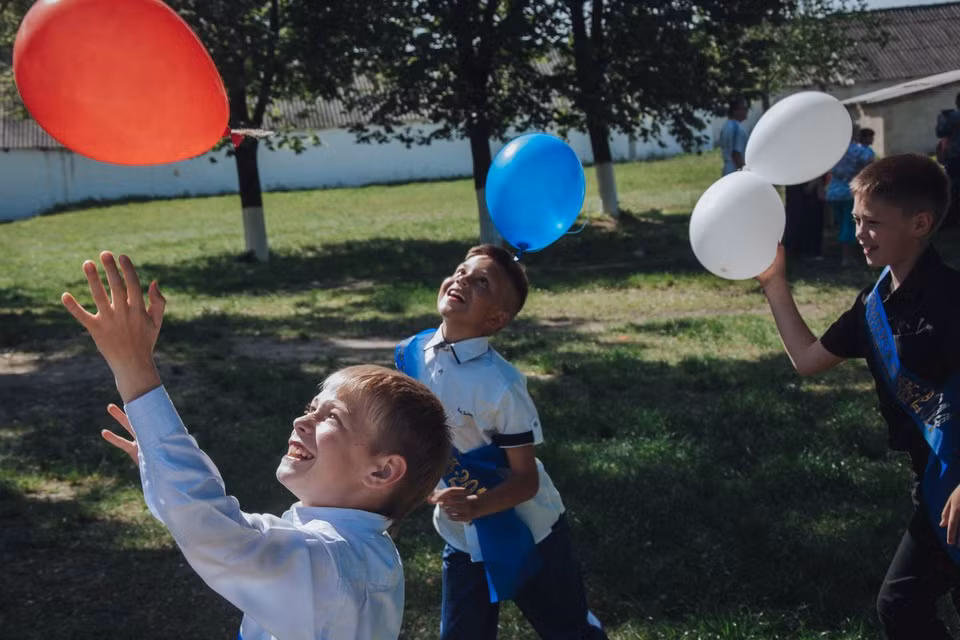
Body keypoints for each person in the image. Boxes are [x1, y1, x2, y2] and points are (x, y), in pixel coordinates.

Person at [61, 251, 453, 640]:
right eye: (309, 408)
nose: (302, 420)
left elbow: (214, 532)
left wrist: (134, 367)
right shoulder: (360, 552)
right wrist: (160, 465)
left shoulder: (332, 564)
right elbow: (214, 526)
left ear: (382, 471)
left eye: (331, 417)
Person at [755, 154, 960, 639]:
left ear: (920, 223)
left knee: (901, 601)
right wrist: (773, 282)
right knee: (903, 604)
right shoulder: (871, 309)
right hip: (929, 486)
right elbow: (806, 359)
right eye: (855, 220)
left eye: (872, 223)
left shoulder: (953, 298)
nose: (860, 233)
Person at [394, 244, 606, 640]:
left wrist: (478, 504)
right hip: (462, 536)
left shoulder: (502, 386)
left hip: (528, 532)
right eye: (461, 270)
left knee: (566, 628)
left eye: (481, 282)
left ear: (497, 318)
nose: (462, 280)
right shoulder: (411, 354)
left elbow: (526, 480)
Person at [826, 127, 876, 266]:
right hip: (851, 192)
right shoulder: (857, 150)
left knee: (842, 223)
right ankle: (847, 257)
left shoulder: (833, 151)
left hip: (833, 193)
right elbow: (871, 161)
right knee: (849, 224)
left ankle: (846, 253)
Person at [782, 173, 829, 259]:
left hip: (800, 184)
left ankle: (798, 249)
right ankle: (804, 249)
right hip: (800, 186)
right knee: (804, 217)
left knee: (799, 215)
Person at [936, 92, 960, 228]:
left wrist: (941, 119)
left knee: (953, 188)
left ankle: (952, 219)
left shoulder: (952, 117)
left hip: (956, 157)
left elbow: (940, 132)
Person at [718, 97, 749, 176]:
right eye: (743, 108)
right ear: (735, 111)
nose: (746, 111)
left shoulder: (726, 126)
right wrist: (743, 170)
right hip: (735, 169)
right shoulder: (737, 128)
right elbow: (736, 153)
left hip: (727, 168)